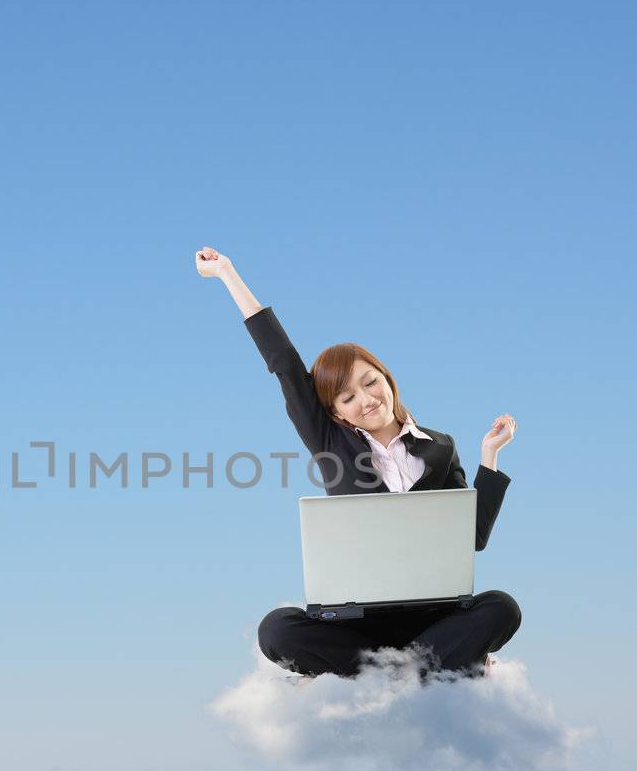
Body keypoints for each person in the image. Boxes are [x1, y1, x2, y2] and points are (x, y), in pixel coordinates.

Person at [194, 245, 521, 681]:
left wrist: (489, 459)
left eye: (371, 382)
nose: (367, 400)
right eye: (348, 397)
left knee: (501, 607)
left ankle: (397, 671)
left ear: (387, 378)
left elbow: (472, 538)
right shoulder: (329, 440)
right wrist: (228, 274)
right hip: (359, 621)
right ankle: (433, 667)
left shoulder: (440, 447)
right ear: (336, 413)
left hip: (433, 615)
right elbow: (284, 364)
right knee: (277, 629)